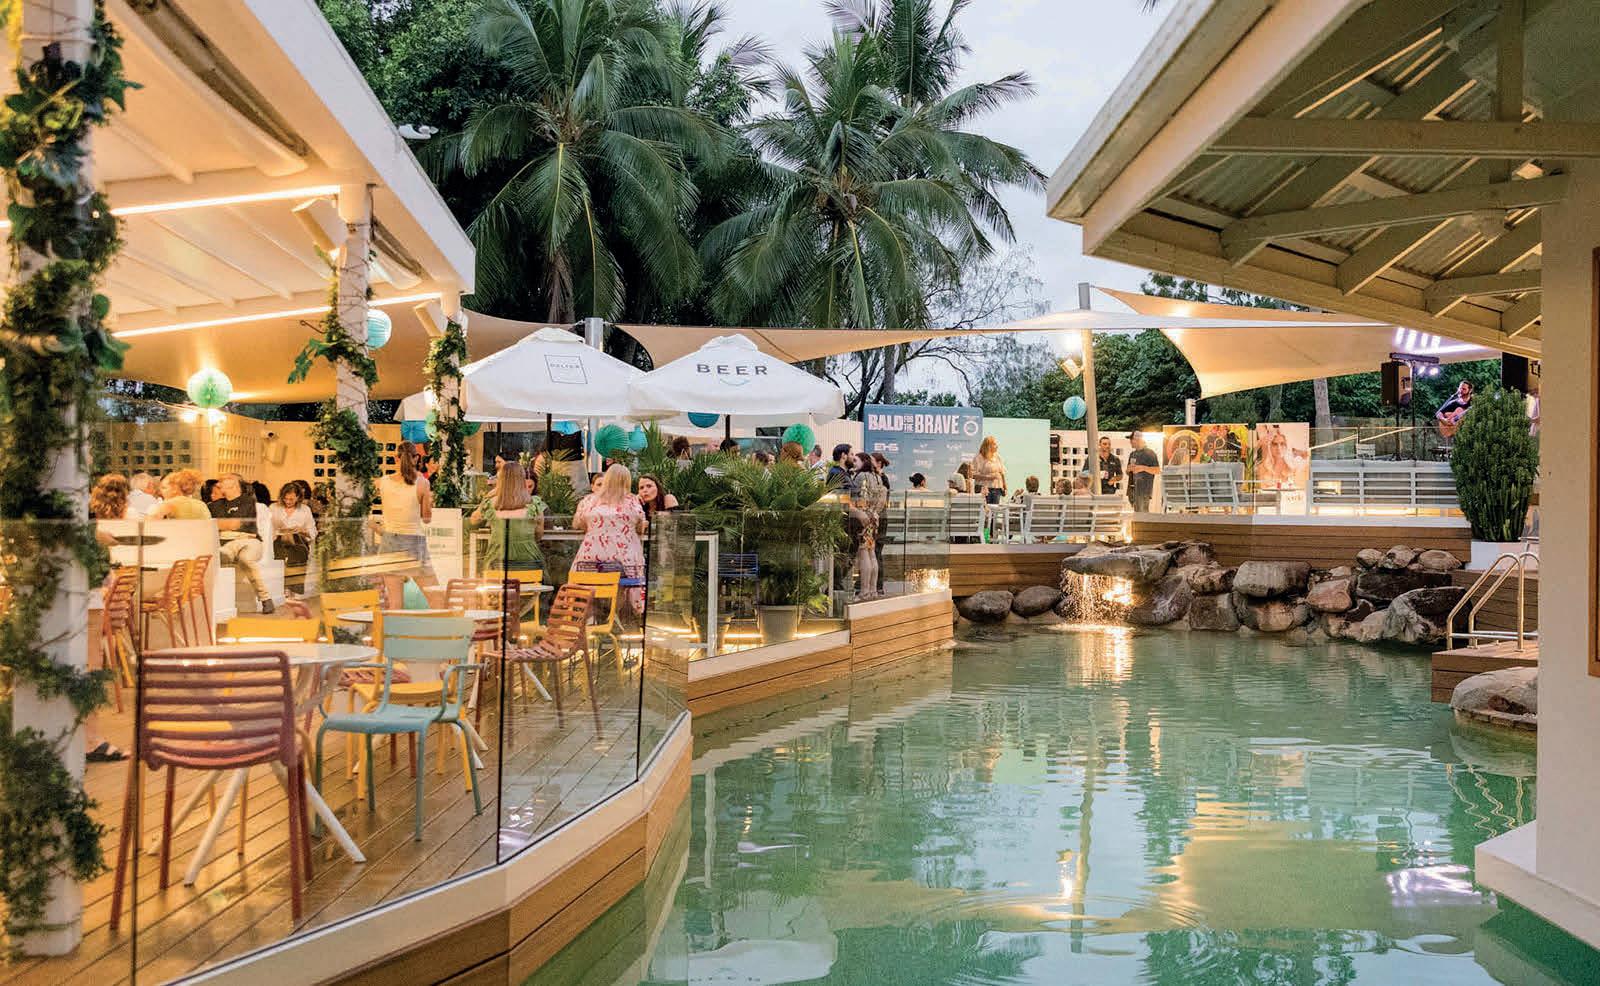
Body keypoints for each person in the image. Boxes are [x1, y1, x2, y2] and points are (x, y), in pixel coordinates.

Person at [574, 463, 647, 611]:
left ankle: (589, 619)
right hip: (623, 559)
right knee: (621, 587)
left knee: (588, 588)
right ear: (626, 481)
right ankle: (614, 617)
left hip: (590, 558)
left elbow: (578, 524)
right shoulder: (632, 501)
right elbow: (640, 527)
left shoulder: (589, 501)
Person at [210, 473, 273, 614]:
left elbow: (235, 524)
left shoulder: (247, 501)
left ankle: (265, 598)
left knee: (245, 558)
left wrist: (222, 525)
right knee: (227, 551)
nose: (218, 484)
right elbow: (210, 525)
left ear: (233, 484)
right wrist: (224, 525)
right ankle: (265, 598)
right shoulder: (215, 506)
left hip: (250, 541)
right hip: (227, 543)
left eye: (223, 481)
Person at [472, 460, 546, 573]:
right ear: (521, 480)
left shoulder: (490, 503)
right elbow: (539, 534)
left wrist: (490, 494)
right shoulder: (534, 504)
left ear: (501, 480)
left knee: (493, 580)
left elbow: (474, 520)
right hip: (529, 563)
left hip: (498, 562)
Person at [378, 442, 433, 577]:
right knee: (429, 587)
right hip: (413, 540)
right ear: (416, 458)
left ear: (396, 458)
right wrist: (429, 501)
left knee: (394, 590)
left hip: (389, 540)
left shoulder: (382, 481)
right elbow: (426, 519)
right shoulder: (422, 483)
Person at [848, 452, 888, 601]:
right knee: (872, 554)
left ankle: (864, 591)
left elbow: (856, 498)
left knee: (864, 553)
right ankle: (872, 590)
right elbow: (881, 499)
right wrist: (874, 512)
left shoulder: (861, 477)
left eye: (856, 460)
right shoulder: (877, 477)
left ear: (863, 461)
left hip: (863, 518)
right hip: (873, 518)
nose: (854, 463)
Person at [269, 481, 317, 568]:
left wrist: (302, 531)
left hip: (298, 545)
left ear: (298, 497)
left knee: (294, 539)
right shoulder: (273, 508)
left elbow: (313, 532)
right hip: (277, 545)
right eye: (285, 498)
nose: (287, 502)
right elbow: (266, 529)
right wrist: (278, 531)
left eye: (291, 499)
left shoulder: (305, 510)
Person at [146, 469, 210, 520]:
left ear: (175, 489)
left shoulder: (170, 504)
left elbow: (150, 523)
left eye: (164, 487)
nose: (160, 491)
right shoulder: (201, 504)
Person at [1125, 431, 1160, 513]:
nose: (1130, 442)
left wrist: (1143, 468)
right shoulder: (1132, 454)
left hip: (1144, 490)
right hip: (1132, 489)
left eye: (1131, 439)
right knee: (1137, 513)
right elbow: (1128, 472)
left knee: (1143, 514)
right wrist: (1128, 470)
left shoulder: (1150, 453)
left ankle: (1145, 522)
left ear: (1137, 440)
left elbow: (1157, 470)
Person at [971, 436, 1007, 504]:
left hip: (997, 489)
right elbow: (973, 475)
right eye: (995, 444)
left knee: (995, 509)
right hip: (983, 489)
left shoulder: (997, 457)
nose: (997, 446)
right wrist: (988, 477)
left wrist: (1004, 486)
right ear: (988, 446)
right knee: (984, 509)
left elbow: (1002, 473)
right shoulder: (978, 458)